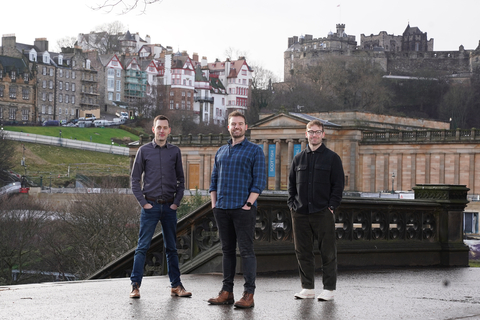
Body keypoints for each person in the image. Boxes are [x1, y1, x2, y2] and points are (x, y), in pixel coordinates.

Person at [207, 111, 266, 309]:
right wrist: (214, 204)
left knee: (247, 252)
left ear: (246, 127)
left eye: (240, 124)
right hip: (222, 208)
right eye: (233, 124)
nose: (236, 127)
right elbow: (213, 180)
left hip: (243, 209)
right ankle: (227, 292)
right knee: (227, 251)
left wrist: (248, 204)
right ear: (228, 127)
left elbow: (259, 182)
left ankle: (249, 294)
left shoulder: (255, 150)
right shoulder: (221, 151)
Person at [129, 115, 191, 299]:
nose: (162, 131)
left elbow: (181, 180)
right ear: (153, 130)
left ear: (169, 130)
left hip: (169, 207)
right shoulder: (144, 151)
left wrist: (176, 202)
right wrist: (143, 203)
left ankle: (176, 286)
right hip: (150, 206)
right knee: (142, 247)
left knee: (171, 248)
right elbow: (134, 180)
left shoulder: (175, 152)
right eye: (159, 127)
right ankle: (135, 286)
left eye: (165, 127)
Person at [287, 119, 344, 301]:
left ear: (323, 134)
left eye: (317, 132)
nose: (314, 135)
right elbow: (291, 185)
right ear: (306, 134)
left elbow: (338, 186)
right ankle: (308, 287)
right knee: (302, 251)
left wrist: (332, 206)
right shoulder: (298, 159)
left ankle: (329, 288)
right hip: (300, 212)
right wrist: (292, 205)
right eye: (311, 132)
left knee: (327, 251)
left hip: (322, 211)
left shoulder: (332, 158)